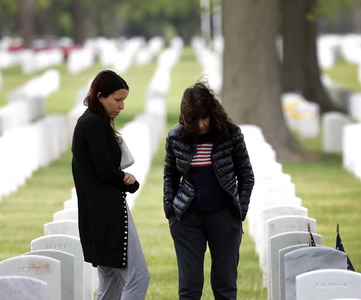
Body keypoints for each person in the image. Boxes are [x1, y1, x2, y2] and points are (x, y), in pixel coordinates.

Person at [163, 80, 255, 300]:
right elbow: (170, 176)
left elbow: (246, 175)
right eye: (194, 119)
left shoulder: (231, 134)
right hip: (187, 219)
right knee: (189, 287)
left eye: (204, 117)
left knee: (225, 285)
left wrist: (239, 211)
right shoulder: (176, 137)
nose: (201, 125)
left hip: (224, 217)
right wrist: (171, 211)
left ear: (212, 112)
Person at [71, 70, 149, 300]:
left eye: (124, 99)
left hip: (95, 214)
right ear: (100, 96)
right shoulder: (93, 124)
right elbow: (104, 169)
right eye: (117, 99)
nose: (122, 105)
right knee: (138, 277)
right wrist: (127, 180)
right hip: (108, 213)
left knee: (111, 282)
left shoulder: (89, 122)